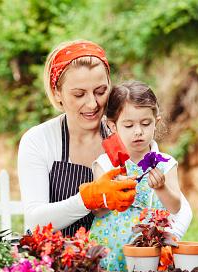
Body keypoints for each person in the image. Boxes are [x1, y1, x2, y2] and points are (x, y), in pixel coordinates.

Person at [17, 40, 137, 237]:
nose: (92, 103)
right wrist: (88, 199)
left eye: (100, 91)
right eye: (79, 94)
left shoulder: (122, 134)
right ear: (57, 94)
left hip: (112, 260)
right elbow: (36, 221)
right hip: (54, 261)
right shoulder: (39, 140)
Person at [89, 81, 196, 272]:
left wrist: (161, 188)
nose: (138, 131)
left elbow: (175, 207)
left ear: (156, 123)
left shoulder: (166, 163)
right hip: (110, 246)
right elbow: (97, 211)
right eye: (128, 125)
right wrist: (113, 192)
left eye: (146, 123)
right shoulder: (105, 164)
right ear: (112, 126)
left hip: (149, 246)